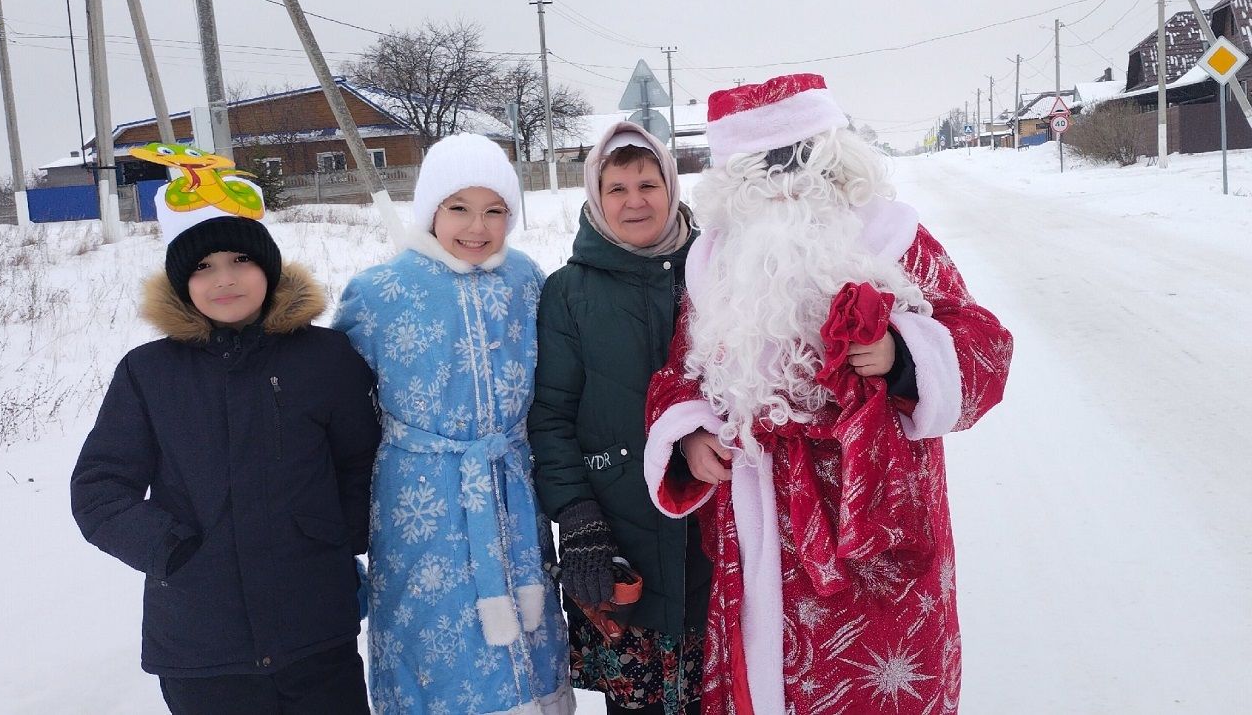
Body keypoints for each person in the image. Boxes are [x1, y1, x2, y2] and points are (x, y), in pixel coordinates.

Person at [642, 74, 1013, 714]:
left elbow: (984, 343)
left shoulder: (894, 240)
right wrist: (693, 434)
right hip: (764, 506)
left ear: (831, 152)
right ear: (736, 174)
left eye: (798, 156)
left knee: (884, 678)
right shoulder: (713, 263)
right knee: (771, 672)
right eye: (765, 163)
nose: (785, 178)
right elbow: (683, 370)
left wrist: (903, 357)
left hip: (880, 511)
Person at [71, 178, 380, 714]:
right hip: (201, 644)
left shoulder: (326, 358)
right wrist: (170, 550)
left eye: (240, 258)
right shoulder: (149, 372)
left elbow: (364, 465)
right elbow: (99, 489)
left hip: (315, 633)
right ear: (180, 282)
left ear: (269, 267)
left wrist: (332, 536)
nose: (225, 280)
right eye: (202, 266)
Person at [334, 133, 574, 715]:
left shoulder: (526, 280)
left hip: (510, 483)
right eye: (459, 208)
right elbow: (338, 404)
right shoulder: (378, 292)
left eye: (495, 211)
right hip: (420, 497)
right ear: (431, 211)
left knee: (531, 631)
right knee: (436, 632)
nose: (478, 226)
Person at [530, 121, 709, 715]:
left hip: (716, 531)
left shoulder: (716, 272)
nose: (635, 201)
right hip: (618, 534)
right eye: (617, 188)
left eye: (647, 184)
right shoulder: (568, 292)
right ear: (595, 197)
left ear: (671, 187)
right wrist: (578, 518)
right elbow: (551, 416)